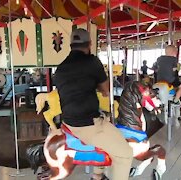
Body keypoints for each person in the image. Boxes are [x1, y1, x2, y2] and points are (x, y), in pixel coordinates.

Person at [54, 28, 133, 180]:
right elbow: (106, 90)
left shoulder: (60, 68)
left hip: (68, 122)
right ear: (89, 44)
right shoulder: (92, 61)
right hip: (88, 125)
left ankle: (97, 176)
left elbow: (72, 88)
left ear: (70, 45)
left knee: (108, 129)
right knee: (125, 154)